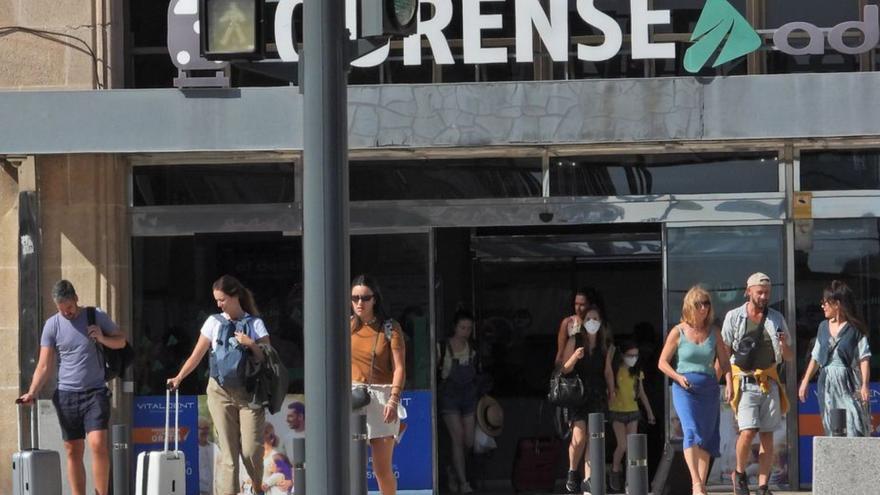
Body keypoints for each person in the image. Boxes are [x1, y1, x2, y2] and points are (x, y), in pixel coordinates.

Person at [18, 280, 127, 495]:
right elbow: (44, 364)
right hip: (67, 395)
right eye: (61, 309)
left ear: (76, 298)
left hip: (95, 392)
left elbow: (122, 341)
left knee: (97, 444)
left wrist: (103, 338)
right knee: (73, 449)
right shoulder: (52, 325)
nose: (66, 312)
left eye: (69, 307)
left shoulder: (94, 315)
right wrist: (32, 392)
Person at [167, 275, 270, 495]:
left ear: (235, 297)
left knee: (252, 449)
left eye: (222, 299)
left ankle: (256, 487)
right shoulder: (213, 322)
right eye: (216, 300)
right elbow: (197, 355)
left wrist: (250, 343)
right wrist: (179, 377)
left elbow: (268, 359)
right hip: (219, 391)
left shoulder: (255, 324)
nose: (218, 304)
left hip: (249, 394)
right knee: (228, 453)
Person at [722, 273, 793, 495]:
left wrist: (783, 345)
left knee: (767, 435)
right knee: (748, 431)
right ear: (749, 291)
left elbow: (789, 355)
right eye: (760, 292)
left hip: (768, 381)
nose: (764, 296)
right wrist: (727, 382)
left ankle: (763, 486)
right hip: (743, 381)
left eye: (767, 293)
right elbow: (724, 352)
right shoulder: (734, 317)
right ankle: (740, 474)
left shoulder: (776, 319)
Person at [658, 286, 732, 495]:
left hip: (708, 388)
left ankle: (702, 485)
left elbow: (724, 362)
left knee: (707, 437)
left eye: (707, 304)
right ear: (690, 306)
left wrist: (729, 383)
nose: (704, 308)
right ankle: (696, 483)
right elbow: (662, 363)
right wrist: (678, 377)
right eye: (699, 304)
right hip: (684, 388)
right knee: (690, 431)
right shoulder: (678, 331)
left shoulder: (714, 332)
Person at [350, 274, 406, 495]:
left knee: (382, 469)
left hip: (382, 398)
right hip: (353, 396)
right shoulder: (346, 326)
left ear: (375, 299)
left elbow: (400, 367)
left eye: (365, 298)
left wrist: (393, 399)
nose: (359, 303)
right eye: (354, 298)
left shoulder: (389, 328)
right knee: (351, 466)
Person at [798, 280, 872, 436]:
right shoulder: (823, 327)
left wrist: (864, 385)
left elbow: (864, 358)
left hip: (849, 381)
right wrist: (805, 381)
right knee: (833, 427)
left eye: (826, 303)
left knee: (854, 423)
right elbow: (816, 357)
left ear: (837, 304)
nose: (823, 306)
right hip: (827, 381)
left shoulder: (855, 329)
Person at [558, 306, 614, 494]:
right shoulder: (575, 341)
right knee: (579, 435)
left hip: (597, 393)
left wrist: (612, 392)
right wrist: (574, 357)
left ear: (600, 322)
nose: (592, 322)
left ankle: (589, 479)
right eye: (588, 318)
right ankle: (572, 472)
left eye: (595, 319)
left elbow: (607, 371)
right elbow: (564, 369)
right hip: (578, 394)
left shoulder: (604, 346)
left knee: (594, 437)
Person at [437, 310, 479, 493]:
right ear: (455, 327)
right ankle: (463, 483)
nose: (466, 332)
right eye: (462, 327)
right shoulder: (443, 347)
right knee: (458, 437)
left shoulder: (473, 348)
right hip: (450, 396)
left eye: (469, 328)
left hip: (468, 395)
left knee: (469, 440)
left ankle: (454, 470)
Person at [607, 339, 656, 492]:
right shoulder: (615, 370)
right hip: (617, 412)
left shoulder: (636, 372)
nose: (633, 358)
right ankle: (615, 470)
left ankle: (630, 481)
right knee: (622, 445)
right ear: (622, 355)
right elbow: (607, 371)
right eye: (630, 355)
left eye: (636, 355)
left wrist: (650, 412)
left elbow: (641, 393)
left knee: (632, 449)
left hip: (633, 412)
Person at [197, 416, 221, 495]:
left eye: (207, 428)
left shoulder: (214, 447)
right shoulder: (192, 450)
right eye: (203, 428)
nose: (206, 431)